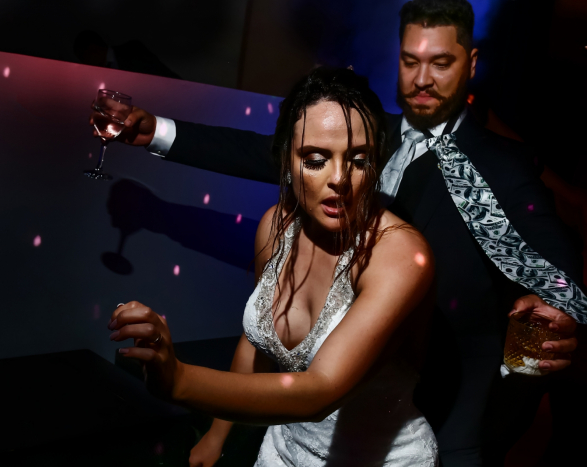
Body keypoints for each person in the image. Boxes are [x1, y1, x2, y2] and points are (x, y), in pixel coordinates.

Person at [93, 1, 585, 464]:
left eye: (440, 63)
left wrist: (560, 312)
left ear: (471, 63)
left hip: (442, 399)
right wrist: (156, 130)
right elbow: (260, 150)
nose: (422, 79)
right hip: (300, 427)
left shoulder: (503, 164)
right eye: (410, 61)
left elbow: (557, 264)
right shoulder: (361, 132)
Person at [108, 66, 439, 466]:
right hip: (281, 451)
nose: (340, 179)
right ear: (286, 158)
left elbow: (319, 392)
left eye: (358, 160)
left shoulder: (400, 254)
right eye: (316, 159)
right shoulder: (274, 227)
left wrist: (179, 380)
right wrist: (217, 434)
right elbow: (255, 340)